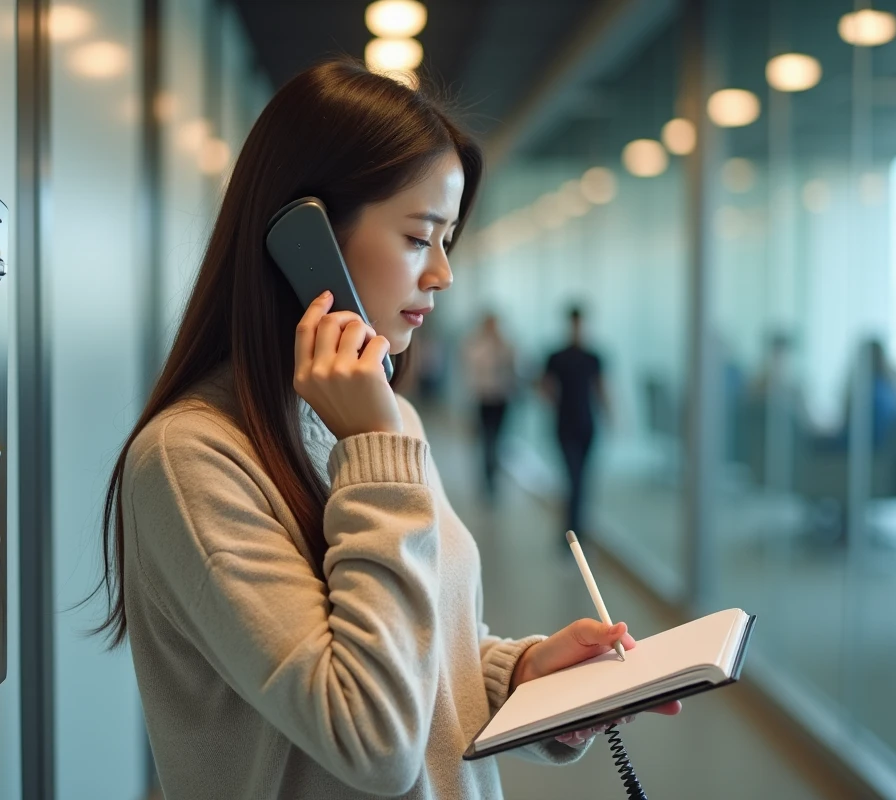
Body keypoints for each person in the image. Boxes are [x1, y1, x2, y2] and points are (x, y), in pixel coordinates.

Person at [91, 60, 678, 800]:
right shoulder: (193, 460)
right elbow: (373, 741)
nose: (442, 275)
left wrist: (518, 673)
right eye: (418, 237)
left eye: (448, 240)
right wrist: (375, 451)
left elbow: (411, 647)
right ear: (303, 240)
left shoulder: (382, 419)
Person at [541, 306, 610, 539]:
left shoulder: (594, 357)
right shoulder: (557, 357)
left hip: (587, 425)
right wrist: (554, 402)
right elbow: (544, 386)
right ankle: (571, 535)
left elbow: (601, 389)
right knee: (573, 480)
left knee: (582, 482)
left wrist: (610, 414)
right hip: (565, 425)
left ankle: (576, 531)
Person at [462, 312, 517, 498]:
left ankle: (494, 474)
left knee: (498, 439)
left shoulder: (505, 344)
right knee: (487, 439)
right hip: (484, 398)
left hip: (501, 398)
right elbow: (472, 367)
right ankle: (487, 478)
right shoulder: (476, 344)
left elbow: (514, 364)